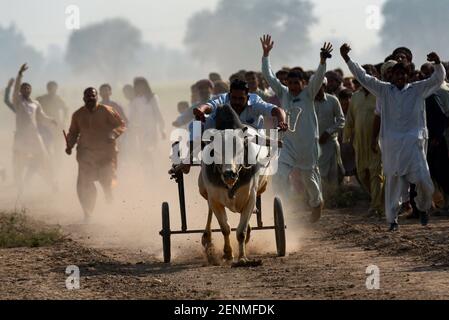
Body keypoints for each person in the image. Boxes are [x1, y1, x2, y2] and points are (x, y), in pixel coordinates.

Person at [341, 43, 446, 231]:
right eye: (396, 74)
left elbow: (438, 79)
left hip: (414, 146)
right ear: (392, 76)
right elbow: (362, 76)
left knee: (424, 182)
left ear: (407, 75)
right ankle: (392, 219)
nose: (399, 77)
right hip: (392, 147)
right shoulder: (383, 91)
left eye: (402, 74)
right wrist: (347, 59)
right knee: (393, 184)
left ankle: (422, 207)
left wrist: (438, 63)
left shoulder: (417, 89)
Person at [261, 34, 333, 222]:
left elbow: (318, 77)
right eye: (290, 83)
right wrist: (266, 55)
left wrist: (322, 61)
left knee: (309, 180)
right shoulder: (283, 93)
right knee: (278, 176)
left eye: (296, 83)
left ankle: (316, 203)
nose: (293, 86)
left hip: (307, 146)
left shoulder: (309, 93)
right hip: (287, 145)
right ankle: (280, 207)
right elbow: (269, 77)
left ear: (303, 83)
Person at [65, 87, 126, 222]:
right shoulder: (78, 115)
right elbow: (73, 133)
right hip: (86, 155)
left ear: (97, 97)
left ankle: (108, 192)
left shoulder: (107, 110)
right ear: (83, 98)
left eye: (93, 96)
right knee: (85, 185)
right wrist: (69, 145)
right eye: (87, 96)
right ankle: (88, 213)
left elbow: (121, 124)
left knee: (107, 180)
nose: (90, 98)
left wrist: (113, 134)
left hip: (106, 153)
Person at [9, 64, 58, 192]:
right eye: (23, 88)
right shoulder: (18, 101)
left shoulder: (35, 103)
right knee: (18, 162)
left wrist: (51, 120)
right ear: (20, 90)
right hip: (21, 136)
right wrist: (20, 74)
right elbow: (14, 90)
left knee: (44, 159)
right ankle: (20, 186)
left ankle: (52, 184)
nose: (26, 90)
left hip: (35, 136)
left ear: (31, 90)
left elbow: (41, 116)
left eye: (28, 88)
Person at [343, 64, 384, 217]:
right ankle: (379, 200)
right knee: (362, 175)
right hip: (359, 143)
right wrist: (346, 137)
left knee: (376, 174)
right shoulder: (355, 96)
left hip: (377, 141)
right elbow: (350, 119)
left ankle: (376, 207)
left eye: (369, 74)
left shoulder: (380, 94)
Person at [126, 77, 166, 172]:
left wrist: (162, 129)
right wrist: (131, 127)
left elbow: (158, 113)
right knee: (144, 152)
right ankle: (148, 173)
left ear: (146, 85)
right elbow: (131, 117)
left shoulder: (152, 97)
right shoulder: (135, 101)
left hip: (153, 129)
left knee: (152, 151)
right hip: (141, 131)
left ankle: (157, 171)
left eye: (142, 85)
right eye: (137, 86)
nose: (140, 87)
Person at [315, 77, 345, 189]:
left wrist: (328, 132)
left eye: (320, 85)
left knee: (333, 175)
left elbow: (341, 120)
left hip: (330, 144)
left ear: (324, 86)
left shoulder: (333, 100)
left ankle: (333, 200)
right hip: (314, 145)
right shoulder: (308, 101)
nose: (317, 88)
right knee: (317, 175)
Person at [36, 81, 69, 160]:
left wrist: (64, 121)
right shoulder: (41, 99)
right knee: (45, 146)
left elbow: (66, 109)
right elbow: (34, 109)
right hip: (45, 126)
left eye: (54, 88)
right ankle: (48, 164)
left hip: (57, 126)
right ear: (47, 88)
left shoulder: (58, 99)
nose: (52, 89)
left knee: (58, 147)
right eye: (50, 88)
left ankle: (57, 165)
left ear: (56, 89)